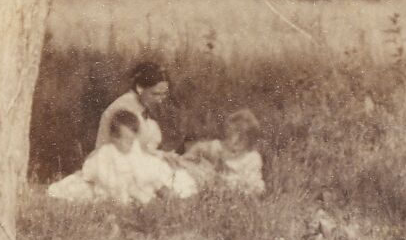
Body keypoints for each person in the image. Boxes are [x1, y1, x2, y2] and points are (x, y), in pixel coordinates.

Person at [49, 108, 197, 204]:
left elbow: (149, 170)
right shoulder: (105, 154)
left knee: (166, 182)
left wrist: (157, 185)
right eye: (125, 140)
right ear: (114, 137)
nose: (129, 144)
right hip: (115, 190)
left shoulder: (136, 153)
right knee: (78, 187)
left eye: (132, 140)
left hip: (141, 188)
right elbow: (89, 173)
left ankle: (167, 195)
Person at [180, 109, 266, 196]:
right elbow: (199, 147)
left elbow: (253, 184)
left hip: (234, 191)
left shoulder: (251, 157)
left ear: (250, 140)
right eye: (230, 135)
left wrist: (230, 182)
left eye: (242, 138)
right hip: (211, 185)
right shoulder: (218, 147)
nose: (234, 140)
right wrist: (188, 157)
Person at [94, 61, 173, 155]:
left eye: (164, 94)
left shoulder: (143, 104)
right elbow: (127, 150)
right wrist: (160, 156)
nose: (160, 100)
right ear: (139, 88)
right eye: (155, 94)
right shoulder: (123, 108)